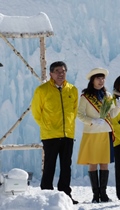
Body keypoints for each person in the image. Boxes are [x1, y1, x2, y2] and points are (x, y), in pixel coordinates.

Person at [31, 61, 79, 204]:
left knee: (66, 166)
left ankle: (65, 195)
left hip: (67, 135)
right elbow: (36, 111)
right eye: (57, 71)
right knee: (49, 166)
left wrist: (68, 126)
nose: (60, 74)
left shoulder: (72, 90)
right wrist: (47, 126)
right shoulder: (42, 90)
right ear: (51, 74)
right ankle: (46, 194)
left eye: (63, 71)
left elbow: (74, 111)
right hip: (50, 135)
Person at [76, 68, 120, 203]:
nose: (101, 81)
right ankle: (95, 194)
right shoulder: (85, 96)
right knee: (93, 163)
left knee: (104, 163)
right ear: (92, 80)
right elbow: (80, 114)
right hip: (91, 133)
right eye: (98, 78)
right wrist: (92, 121)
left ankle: (103, 193)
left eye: (103, 78)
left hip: (105, 132)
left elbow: (111, 115)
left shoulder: (107, 95)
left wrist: (118, 107)